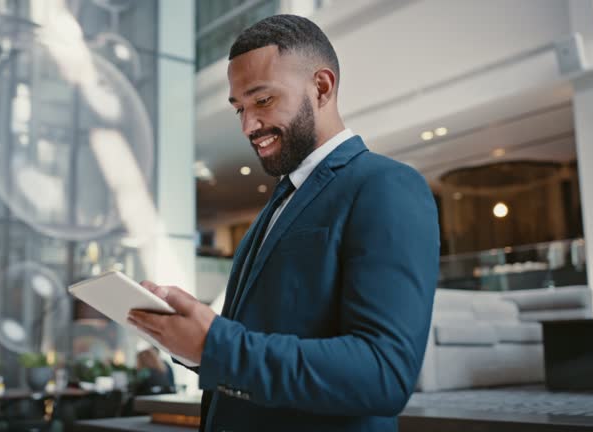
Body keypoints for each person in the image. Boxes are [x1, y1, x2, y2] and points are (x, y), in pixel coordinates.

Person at [128, 14, 440, 432]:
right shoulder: (279, 203)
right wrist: (189, 341)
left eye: (262, 100)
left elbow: (384, 374)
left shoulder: (387, 186)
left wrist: (215, 344)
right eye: (239, 107)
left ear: (322, 87)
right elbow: (258, 335)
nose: (247, 125)